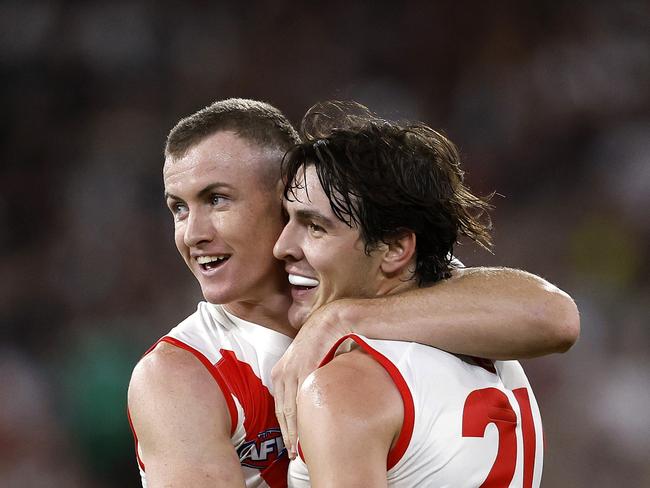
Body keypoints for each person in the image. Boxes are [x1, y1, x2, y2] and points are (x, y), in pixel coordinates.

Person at [127, 98, 578, 488]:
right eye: (178, 208)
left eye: (217, 199)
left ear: (287, 197)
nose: (193, 234)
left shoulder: (383, 292)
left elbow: (555, 316)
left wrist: (339, 319)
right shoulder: (181, 376)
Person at [274, 103, 544, 486]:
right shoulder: (497, 354)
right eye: (288, 219)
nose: (282, 246)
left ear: (396, 248)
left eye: (315, 227)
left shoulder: (344, 387)